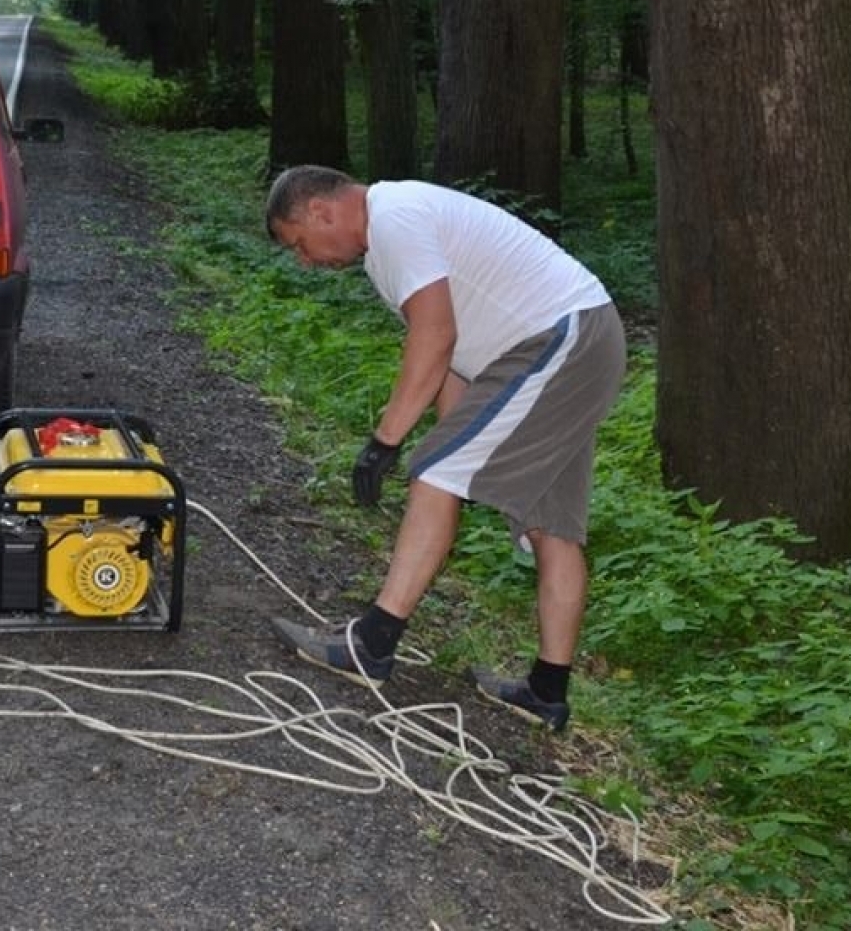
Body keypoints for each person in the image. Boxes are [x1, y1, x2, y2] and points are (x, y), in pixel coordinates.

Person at [264, 166, 626, 731]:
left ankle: (373, 643)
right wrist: (451, 444)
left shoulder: (394, 219)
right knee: (551, 526)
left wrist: (387, 442)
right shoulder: (394, 234)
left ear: (319, 211)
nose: (306, 261)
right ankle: (547, 690)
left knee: (434, 473)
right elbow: (453, 358)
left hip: (562, 336)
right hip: (579, 340)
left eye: (299, 245)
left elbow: (434, 336)